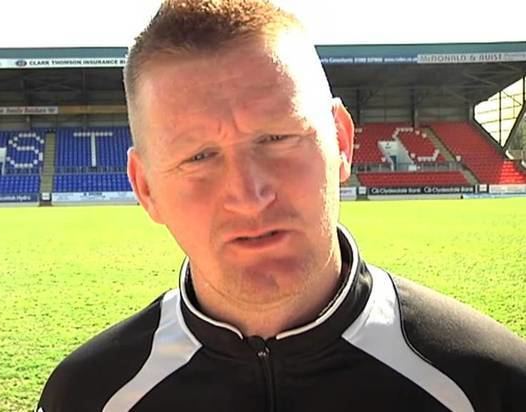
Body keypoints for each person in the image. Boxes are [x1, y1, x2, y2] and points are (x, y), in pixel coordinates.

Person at [37, 1, 526, 410]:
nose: (250, 195)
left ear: (340, 141)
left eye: (277, 137)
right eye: (199, 156)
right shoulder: (86, 397)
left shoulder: (492, 383)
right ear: (146, 189)